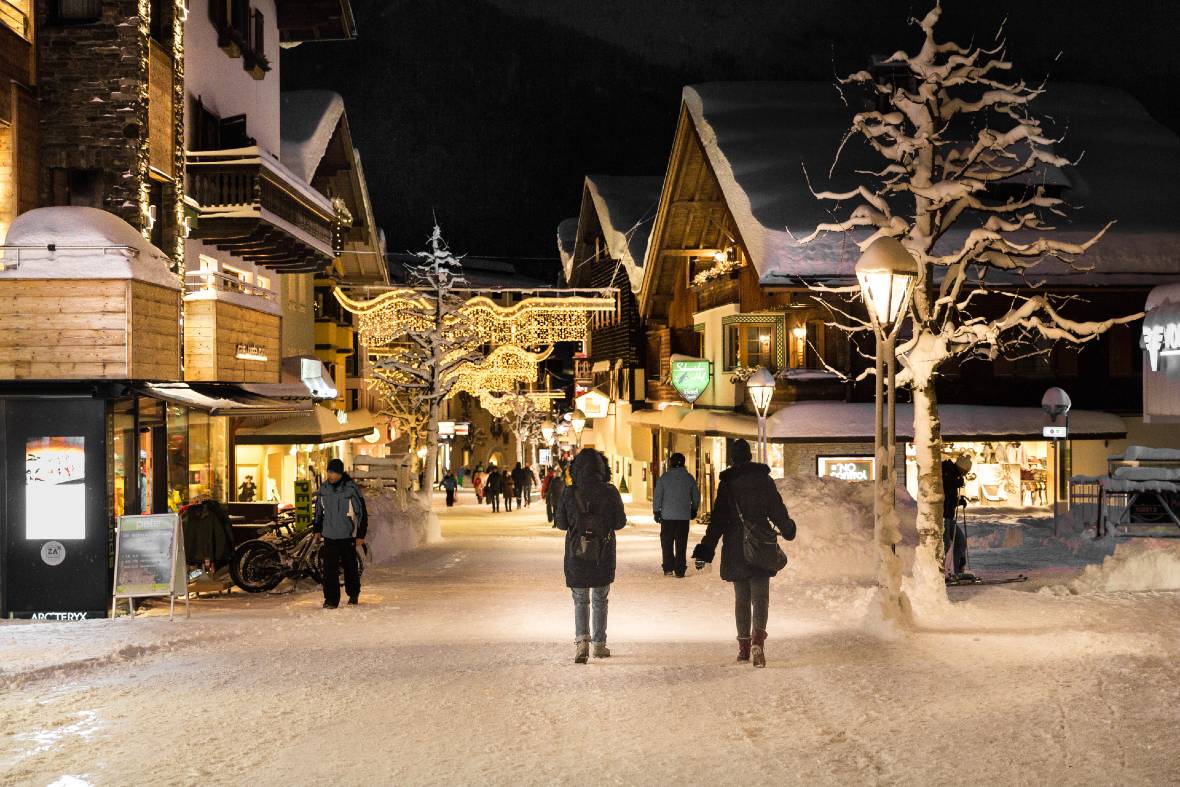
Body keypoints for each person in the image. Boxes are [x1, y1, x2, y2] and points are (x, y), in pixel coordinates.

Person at [691, 439, 795, 668]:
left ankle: (743, 648)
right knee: (760, 597)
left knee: (742, 598)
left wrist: (706, 549)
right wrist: (787, 528)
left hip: (736, 546)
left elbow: (718, 520)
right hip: (760, 543)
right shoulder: (764, 480)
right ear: (749, 456)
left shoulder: (727, 484)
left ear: (732, 459)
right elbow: (777, 508)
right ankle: (759, 640)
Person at [555, 449, 627, 663]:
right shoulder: (610, 492)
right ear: (602, 469)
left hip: (577, 554)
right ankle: (599, 644)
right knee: (600, 599)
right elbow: (619, 523)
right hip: (602, 553)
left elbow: (561, 523)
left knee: (580, 600)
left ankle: (581, 642)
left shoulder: (569, 493)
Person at [312, 458, 368, 609]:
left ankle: (353, 593)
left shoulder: (351, 488)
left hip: (347, 535)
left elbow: (361, 512)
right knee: (329, 570)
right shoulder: (324, 488)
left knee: (350, 567)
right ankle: (331, 599)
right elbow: (318, 511)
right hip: (329, 535)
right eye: (328, 472)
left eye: (332, 472)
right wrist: (317, 529)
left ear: (339, 473)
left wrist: (360, 535)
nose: (329, 475)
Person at [652, 452, 701, 578]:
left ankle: (668, 567)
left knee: (667, 542)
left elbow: (658, 495)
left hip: (667, 516)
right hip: (683, 517)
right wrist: (694, 509)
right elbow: (696, 496)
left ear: (671, 463)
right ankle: (680, 570)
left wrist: (656, 511)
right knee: (681, 543)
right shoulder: (689, 478)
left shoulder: (664, 478)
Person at [942, 455, 971, 576]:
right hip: (942, 517)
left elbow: (949, 498)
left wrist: (958, 501)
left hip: (949, 517)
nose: (964, 475)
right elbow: (944, 492)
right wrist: (956, 482)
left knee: (960, 541)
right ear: (961, 468)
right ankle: (941, 573)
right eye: (964, 472)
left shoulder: (953, 475)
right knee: (945, 545)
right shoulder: (947, 471)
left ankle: (959, 571)